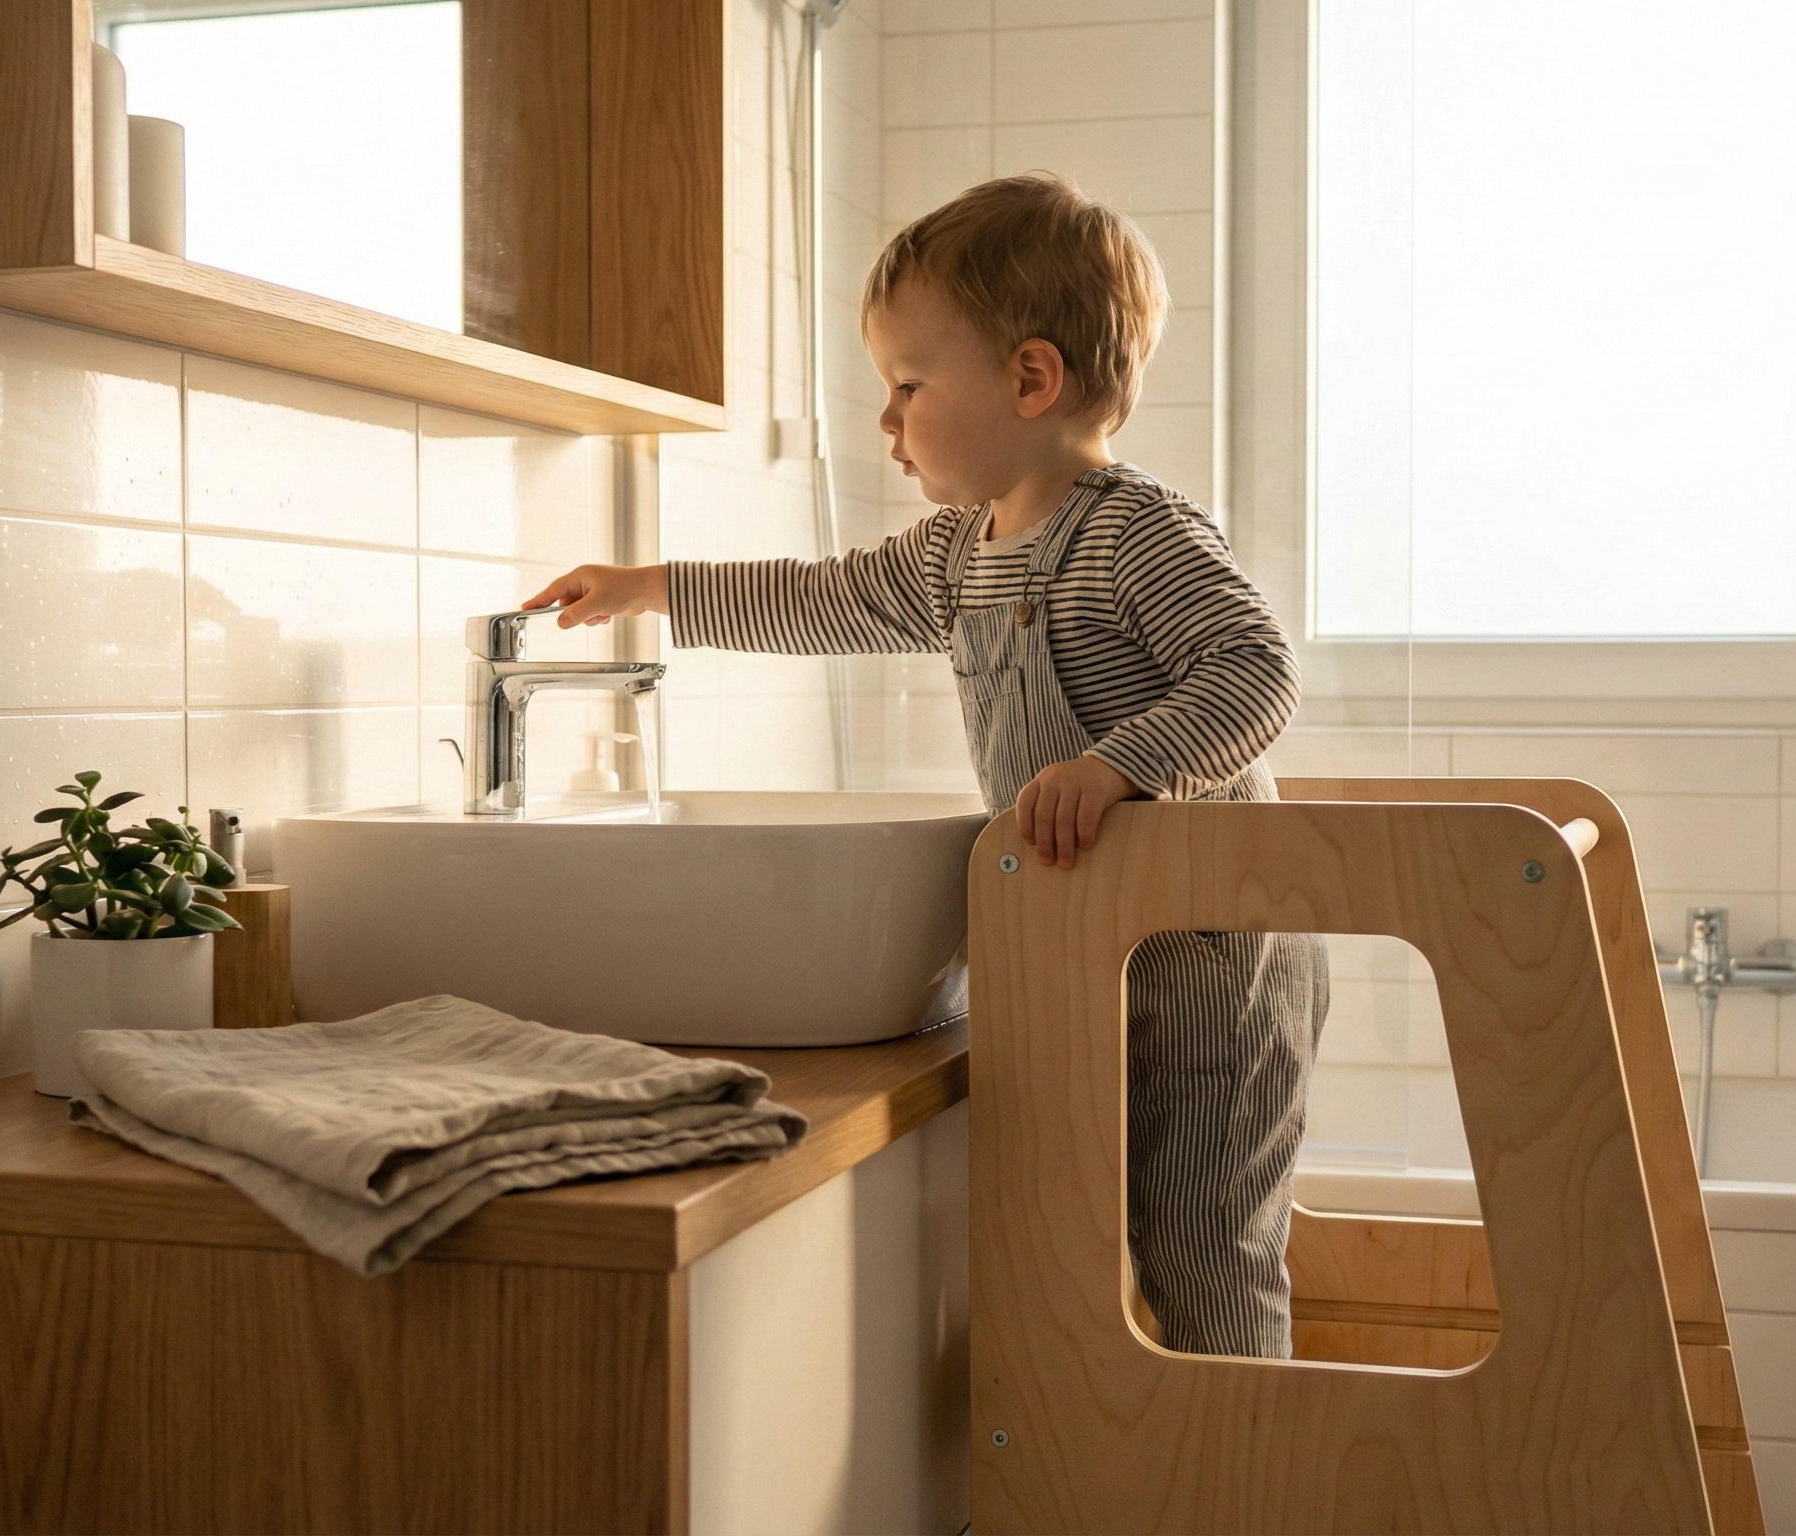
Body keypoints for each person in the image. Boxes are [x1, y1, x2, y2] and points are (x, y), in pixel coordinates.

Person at [524, 172, 1323, 1360]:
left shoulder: (1131, 531)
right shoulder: (962, 552)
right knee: (1104, 1243)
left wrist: (1117, 768)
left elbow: (1255, 669)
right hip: (1100, 953)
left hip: (1216, 965)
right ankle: (1150, 1468)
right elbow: (820, 598)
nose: (885, 422)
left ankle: (1252, 1479)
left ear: (1030, 379)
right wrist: (654, 590)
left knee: (1207, 1248)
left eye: (905, 386)